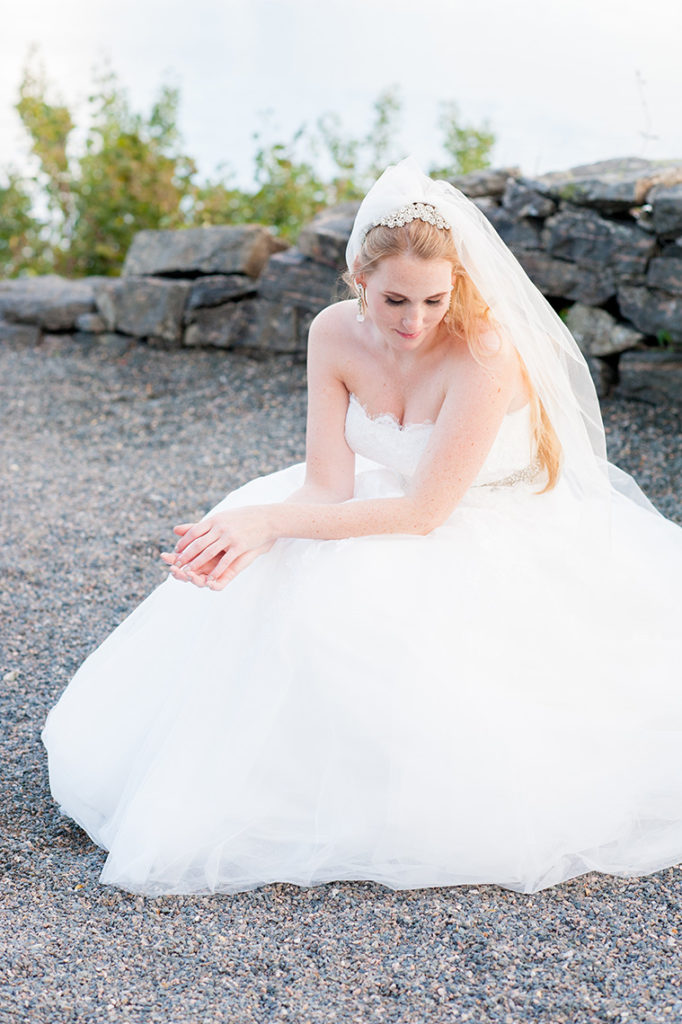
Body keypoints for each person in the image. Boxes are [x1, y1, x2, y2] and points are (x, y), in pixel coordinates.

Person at [42, 158, 682, 897]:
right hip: (383, 503)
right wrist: (256, 532)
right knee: (281, 599)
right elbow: (328, 484)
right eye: (394, 301)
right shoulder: (331, 333)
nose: (415, 322)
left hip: (477, 517)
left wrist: (272, 521)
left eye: (435, 300)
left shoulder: (484, 350)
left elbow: (424, 515)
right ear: (357, 281)